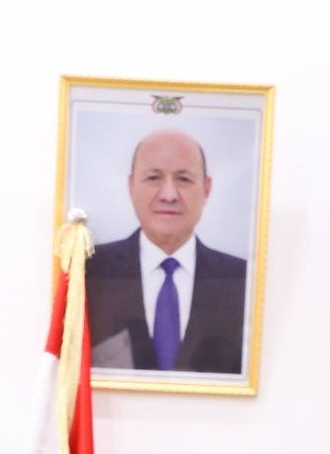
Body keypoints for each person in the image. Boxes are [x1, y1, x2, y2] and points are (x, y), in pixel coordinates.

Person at [87, 128, 249, 375]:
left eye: (183, 179)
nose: (169, 195)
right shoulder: (89, 271)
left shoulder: (243, 280)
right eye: (153, 178)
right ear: (131, 186)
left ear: (207, 188)